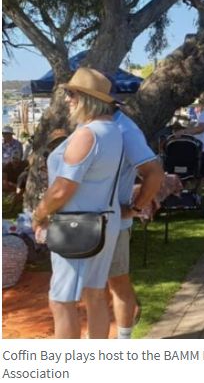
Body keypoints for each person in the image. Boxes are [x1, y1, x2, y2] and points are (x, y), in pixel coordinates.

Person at [31, 67, 124, 339]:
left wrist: (39, 214)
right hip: (103, 221)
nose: (67, 99)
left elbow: (62, 189)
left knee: (61, 301)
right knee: (94, 294)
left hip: (77, 227)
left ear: (88, 99)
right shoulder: (113, 130)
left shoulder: (88, 134)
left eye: (72, 93)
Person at [109, 107, 164, 339]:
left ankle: (124, 340)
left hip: (113, 225)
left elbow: (154, 173)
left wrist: (135, 209)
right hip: (91, 222)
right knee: (96, 286)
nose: (68, 100)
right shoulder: (96, 126)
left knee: (117, 282)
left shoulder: (125, 129)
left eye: (72, 95)